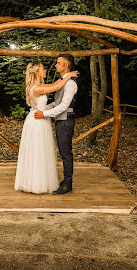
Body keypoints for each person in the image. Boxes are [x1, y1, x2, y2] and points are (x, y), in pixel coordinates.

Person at [14, 62, 79, 194]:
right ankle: (35, 183)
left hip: (42, 118)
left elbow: (55, 85)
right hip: (37, 121)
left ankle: (40, 180)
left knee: (41, 150)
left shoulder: (40, 85)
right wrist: (69, 75)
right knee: (37, 150)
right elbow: (57, 87)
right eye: (43, 69)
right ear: (37, 72)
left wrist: (64, 78)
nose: (46, 70)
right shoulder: (36, 88)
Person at [34, 54, 78, 195]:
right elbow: (56, 103)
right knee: (63, 151)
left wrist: (45, 114)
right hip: (60, 120)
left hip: (66, 121)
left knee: (65, 153)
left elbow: (64, 106)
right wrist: (42, 109)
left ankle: (67, 184)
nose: (56, 65)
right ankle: (65, 181)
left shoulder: (70, 84)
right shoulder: (63, 82)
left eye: (59, 63)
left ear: (66, 65)